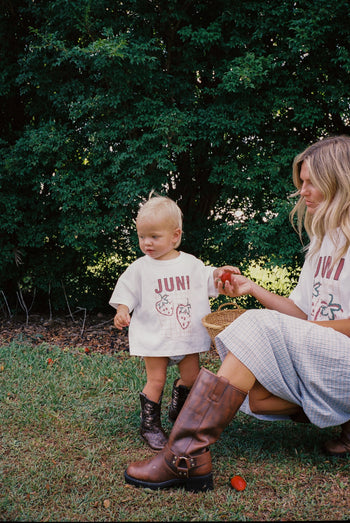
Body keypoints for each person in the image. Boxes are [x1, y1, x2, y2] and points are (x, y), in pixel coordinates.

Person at [124, 135, 350, 492]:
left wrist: (307, 331)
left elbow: (311, 326)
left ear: (339, 182)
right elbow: (301, 314)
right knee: (255, 396)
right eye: (301, 182)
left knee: (254, 327)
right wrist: (253, 290)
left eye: (310, 183)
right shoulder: (323, 243)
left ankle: (185, 455)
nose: (301, 192)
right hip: (322, 351)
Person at [109, 193, 238, 451]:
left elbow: (208, 278)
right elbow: (126, 291)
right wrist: (123, 309)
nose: (147, 243)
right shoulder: (140, 268)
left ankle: (179, 407)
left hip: (185, 335)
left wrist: (221, 273)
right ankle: (150, 426)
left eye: (154, 237)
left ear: (175, 236)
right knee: (156, 380)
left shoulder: (191, 264)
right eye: (142, 236)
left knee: (191, 378)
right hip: (155, 336)